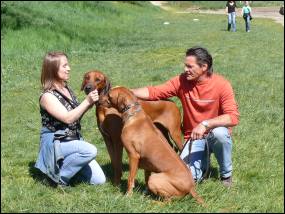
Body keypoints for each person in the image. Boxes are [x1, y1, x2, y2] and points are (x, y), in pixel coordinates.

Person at [131, 46, 239, 187]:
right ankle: (202, 167)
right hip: (193, 138)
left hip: (214, 135)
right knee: (185, 179)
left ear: (204, 67)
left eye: (189, 66)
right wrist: (126, 91)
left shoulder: (222, 85)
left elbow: (232, 117)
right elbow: (155, 92)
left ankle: (226, 175)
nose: (185, 69)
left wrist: (205, 124)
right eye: (185, 65)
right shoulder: (182, 81)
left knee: (220, 133)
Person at [35, 51, 106, 187]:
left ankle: (63, 167)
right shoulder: (47, 96)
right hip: (56, 143)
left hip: (73, 140)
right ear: (53, 69)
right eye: (64, 66)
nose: (69, 68)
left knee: (99, 180)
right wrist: (87, 101)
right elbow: (68, 118)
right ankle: (58, 179)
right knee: (90, 150)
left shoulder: (66, 88)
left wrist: (91, 103)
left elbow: (76, 114)